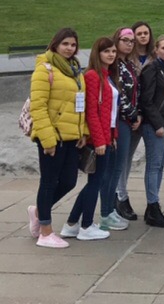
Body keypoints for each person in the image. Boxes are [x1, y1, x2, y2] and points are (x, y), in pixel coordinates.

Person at [26, 28, 87, 249]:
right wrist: (48, 139)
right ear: (55, 44)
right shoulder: (45, 69)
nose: (69, 48)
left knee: (69, 181)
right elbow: (38, 106)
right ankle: (45, 231)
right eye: (65, 44)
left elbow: (80, 104)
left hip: (71, 136)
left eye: (73, 45)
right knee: (49, 182)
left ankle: (39, 211)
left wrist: (83, 131)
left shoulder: (75, 70)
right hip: (53, 137)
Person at [60, 37, 118, 241]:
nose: (111, 54)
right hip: (98, 139)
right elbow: (92, 112)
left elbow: (110, 111)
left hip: (107, 135)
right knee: (95, 182)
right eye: (106, 51)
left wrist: (113, 135)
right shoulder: (93, 76)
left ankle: (72, 223)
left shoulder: (107, 75)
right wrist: (100, 140)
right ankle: (86, 225)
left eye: (113, 51)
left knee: (95, 181)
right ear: (97, 53)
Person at [139, 35, 164, 228]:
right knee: (154, 165)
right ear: (156, 49)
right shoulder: (151, 69)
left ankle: (152, 204)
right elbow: (146, 100)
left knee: (160, 165)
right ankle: (153, 205)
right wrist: (157, 124)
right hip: (156, 125)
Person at [110, 27, 143, 223]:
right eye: (125, 40)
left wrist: (138, 115)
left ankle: (120, 195)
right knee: (118, 162)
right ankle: (117, 198)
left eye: (132, 41)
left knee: (126, 160)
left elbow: (135, 91)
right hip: (121, 119)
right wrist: (132, 115)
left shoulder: (129, 63)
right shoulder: (114, 64)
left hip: (132, 119)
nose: (129, 44)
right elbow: (119, 93)